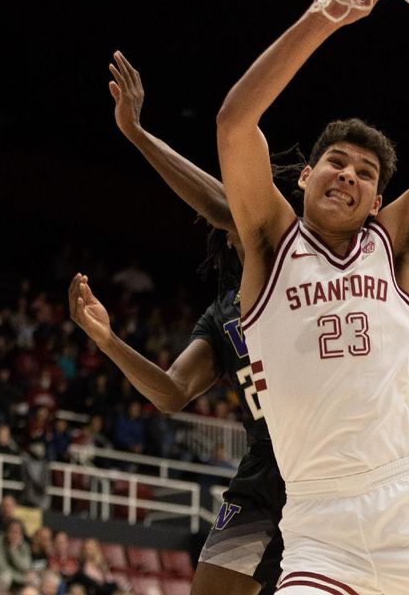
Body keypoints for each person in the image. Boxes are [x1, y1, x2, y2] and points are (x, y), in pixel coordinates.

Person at [215, 0, 409, 592]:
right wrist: (324, 17)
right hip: (320, 526)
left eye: (364, 173)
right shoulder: (269, 243)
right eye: (334, 162)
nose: (347, 173)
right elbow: (235, 123)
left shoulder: (398, 243)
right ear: (304, 176)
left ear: (375, 202)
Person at [68, 50, 302, 595]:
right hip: (264, 479)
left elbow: (223, 201)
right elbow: (172, 393)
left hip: (330, 471)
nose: (233, 213)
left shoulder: (300, 267)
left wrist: (139, 136)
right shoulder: (223, 314)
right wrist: (108, 342)